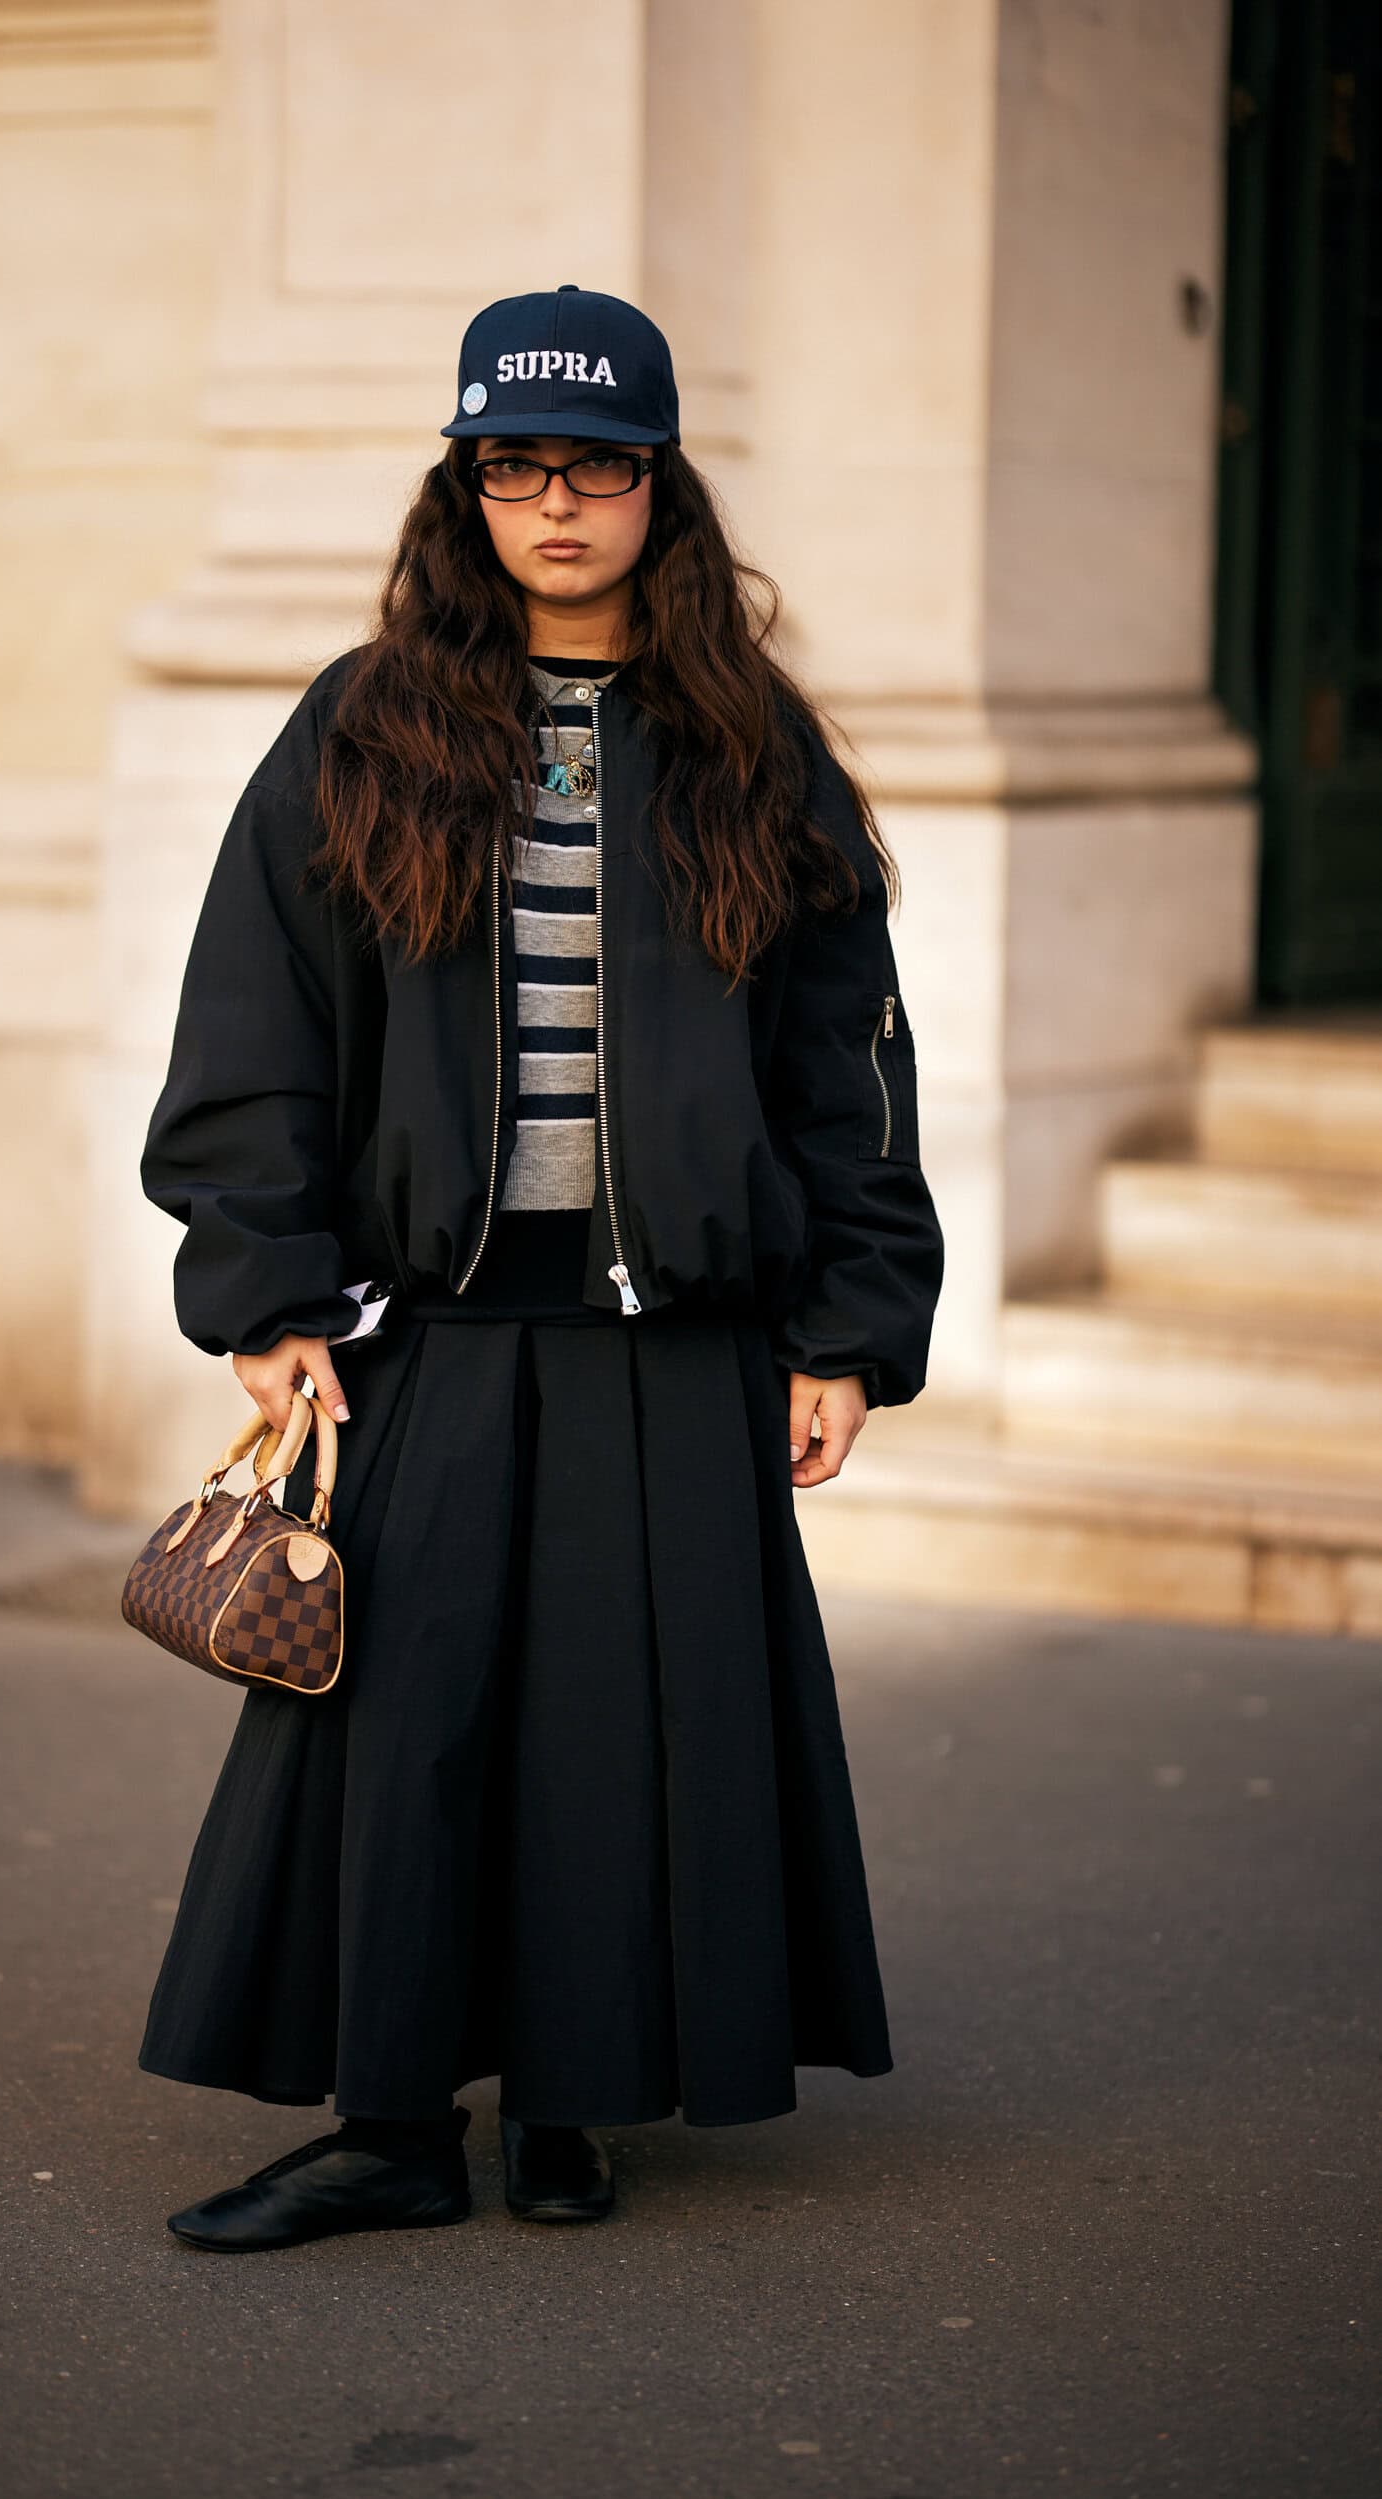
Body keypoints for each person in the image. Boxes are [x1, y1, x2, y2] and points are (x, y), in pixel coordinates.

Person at [137, 284, 945, 2252]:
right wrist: (264, 1287)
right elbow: (254, 1023)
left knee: (623, 1727)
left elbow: (849, 1053)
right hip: (437, 1321)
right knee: (399, 1727)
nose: (559, 502)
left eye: (600, 465)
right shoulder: (367, 722)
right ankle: (394, 2123)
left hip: (681, 1334)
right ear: (469, 485)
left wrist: (848, 1323)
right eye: (519, 465)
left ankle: (575, 2103)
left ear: (662, 491)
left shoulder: (752, 745)